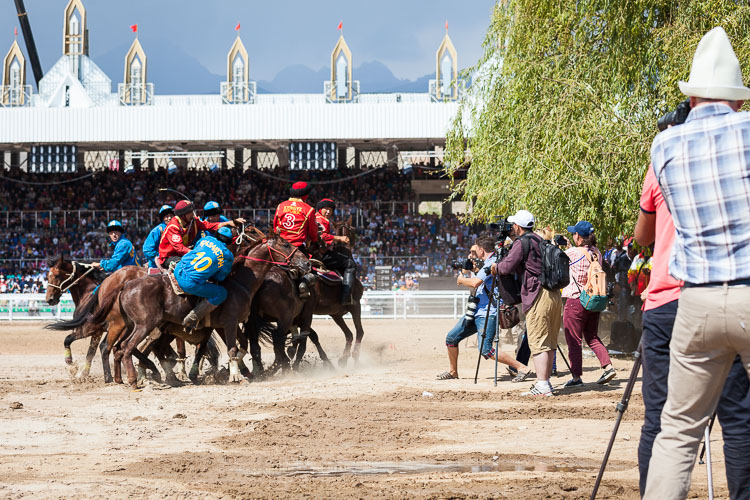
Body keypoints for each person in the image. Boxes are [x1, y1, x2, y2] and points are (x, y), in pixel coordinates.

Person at [643, 27, 750, 499]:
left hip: (696, 299)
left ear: (693, 96)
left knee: (677, 431)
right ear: (738, 100)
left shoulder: (664, 146)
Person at [636, 160, 750, 498]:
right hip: (717, 292)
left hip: (665, 300)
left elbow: (643, 236)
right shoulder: (735, 155)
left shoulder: (663, 161)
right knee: (738, 416)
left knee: (660, 419)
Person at [437, 237, 530, 380]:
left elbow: (475, 283)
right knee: (451, 338)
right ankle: (453, 371)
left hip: (488, 313)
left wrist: (461, 280)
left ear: (481, 250)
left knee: (486, 349)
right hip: (476, 311)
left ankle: (521, 367)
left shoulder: (491, 264)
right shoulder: (485, 264)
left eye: (474, 252)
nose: (472, 255)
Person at [492, 210, 562, 396]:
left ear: (517, 226)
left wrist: (495, 267)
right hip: (554, 294)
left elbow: (506, 267)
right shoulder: (539, 240)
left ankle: (542, 385)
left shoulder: (522, 242)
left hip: (538, 295)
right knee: (548, 342)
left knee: (538, 342)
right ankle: (545, 383)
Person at [561, 220, 615, 388]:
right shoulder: (597, 252)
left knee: (574, 339)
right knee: (591, 336)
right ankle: (608, 366)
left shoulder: (573, 253)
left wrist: (565, 248)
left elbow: (560, 261)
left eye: (573, 233)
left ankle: (576, 377)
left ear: (578, 236)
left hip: (576, 300)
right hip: (593, 299)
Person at [174, 226, 235, 330]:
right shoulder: (228, 256)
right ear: (229, 242)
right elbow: (220, 277)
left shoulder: (206, 239)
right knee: (221, 293)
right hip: (189, 283)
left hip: (178, 269)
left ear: (216, 234)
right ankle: (192, 319)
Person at [157, 200, 240, 269]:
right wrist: (197, 253)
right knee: (190, 267)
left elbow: (208, 225)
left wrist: (229, 222)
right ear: (183, 215)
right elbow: (180, 248)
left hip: (182, 253)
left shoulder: (193, 221)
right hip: (169, 257)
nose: (193, 214)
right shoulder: (173, 227)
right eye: (190, 212)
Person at [273, 182, 318, 298]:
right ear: (306, 195)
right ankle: (303, 285)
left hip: (278, 246)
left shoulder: (280, 206)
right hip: (296, 248)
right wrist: (314, 239)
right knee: (312, 273)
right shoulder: (309, 210)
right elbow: (313, 233)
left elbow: (275, 226)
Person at [315, 198, 356, 304]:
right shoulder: (321, 220)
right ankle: (346, 298)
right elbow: (321, 236)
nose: (328, 212)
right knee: (350, 264)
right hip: (320, 255)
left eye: (330, 210)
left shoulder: (316, 218)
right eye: (326, 209)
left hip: (315, 252)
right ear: (320, 209)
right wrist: (339, 238)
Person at [142, 204, 174, 269]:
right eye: (166, 216)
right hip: (157, 266)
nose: (169, 218)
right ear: (162, 218)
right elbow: (147, 250)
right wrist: (161, 258)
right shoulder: (156, 231)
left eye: (171, 215)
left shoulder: (178, 229)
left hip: (173, 263)